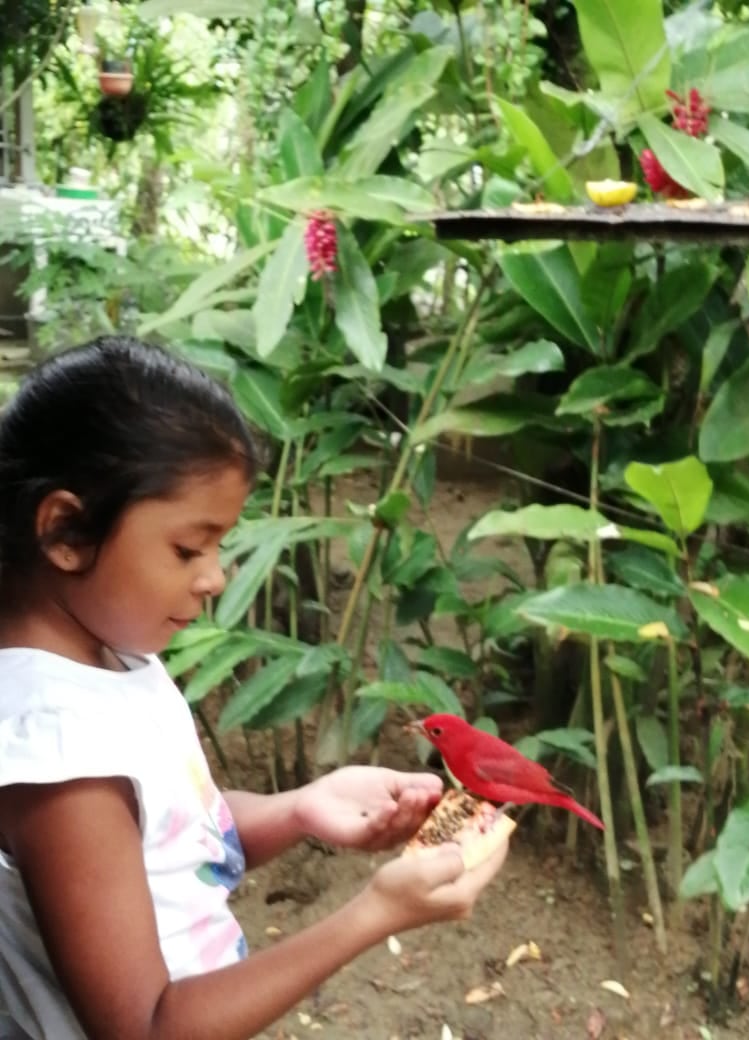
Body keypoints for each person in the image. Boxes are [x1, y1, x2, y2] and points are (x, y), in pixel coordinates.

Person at [0, 336, 509, 1040]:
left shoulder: (109, 655)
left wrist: (301, 808)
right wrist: (374, 915)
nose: (215, 577)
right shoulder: (61, 753)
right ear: (65, 531)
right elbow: (147, 1027)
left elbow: (168, 836)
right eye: (188, 548)